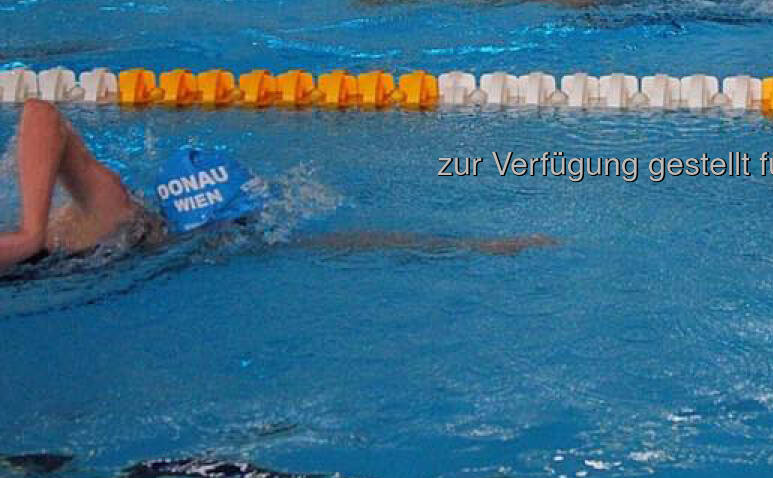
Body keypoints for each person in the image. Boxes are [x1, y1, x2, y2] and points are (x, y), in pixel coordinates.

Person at [0, 99, 553, 271]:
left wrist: (469, 246)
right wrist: (27, 235)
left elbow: (338, 244)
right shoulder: (115, 217)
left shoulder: (148, 229)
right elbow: (40, 112)